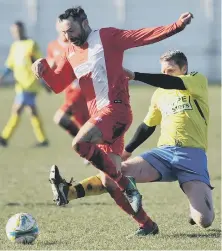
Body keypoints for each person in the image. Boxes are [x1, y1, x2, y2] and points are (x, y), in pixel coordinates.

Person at [31, 6, 193, 236]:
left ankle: (128, 186)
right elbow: (58, 85)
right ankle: (147, 225)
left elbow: (143, 36)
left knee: (79, 143)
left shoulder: (107, 37)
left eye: (71, 31)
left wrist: (176, 26)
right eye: (63, 33)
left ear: (85, 23)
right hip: (101, 119)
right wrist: (43, 69)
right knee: (109, 182)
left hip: (115, 111)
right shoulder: (70, 51)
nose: (67, 37)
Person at [62, 50, 215, 232]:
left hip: (192, 156)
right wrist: (127, 151)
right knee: (116, 172)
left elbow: (171, 82)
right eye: (163, 71)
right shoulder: (159, 95)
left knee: (204, 220)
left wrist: (135, 75)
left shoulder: (197, 80)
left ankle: (196, 204)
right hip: (163, 154)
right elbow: (147, 126)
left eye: (171, 70)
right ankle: (70, 191)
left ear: (184, 69)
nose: (165, 74)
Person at [0, 21, 49, 147]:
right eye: (14, 31)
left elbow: (40, 62)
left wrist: (44, 80)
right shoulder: (15, 46)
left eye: (18, 31)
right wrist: (2, 76)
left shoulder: (31, 45)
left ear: (23, 30)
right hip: (20, 85)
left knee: (17, 109)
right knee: (31, 111)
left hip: (30, 83)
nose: (16, 33)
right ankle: (43, 139)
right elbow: (9, 65)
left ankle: (4, 137)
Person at [47, 21, 89, 142]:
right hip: (68, 91)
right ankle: (94, 151)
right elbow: (52, 68)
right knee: (84, 125)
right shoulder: (52, 46)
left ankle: (85, 146)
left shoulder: (77, 44)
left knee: (60, 118)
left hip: (80, 89)